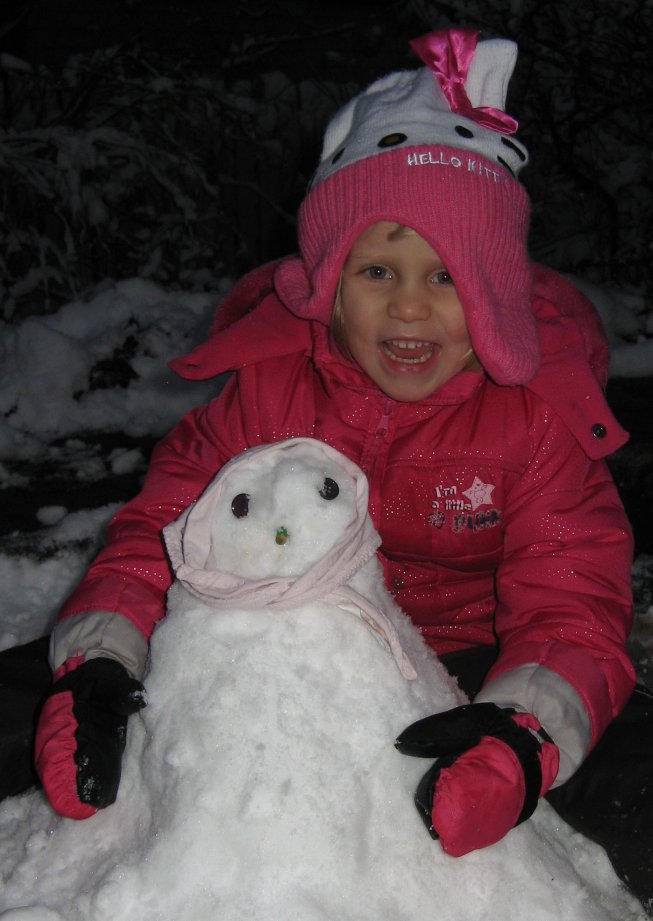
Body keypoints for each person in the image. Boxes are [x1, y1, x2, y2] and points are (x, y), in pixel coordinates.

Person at [2, 26, 651, 910]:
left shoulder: (534, 421)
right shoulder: (267, 394)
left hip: (467, 659)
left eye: (447, 277)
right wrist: (101, 657)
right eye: (378, 269)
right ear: (325, 283)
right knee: (36, 693)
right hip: (271, 639)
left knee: (624, 765)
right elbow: (162, 534)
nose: (410, 304)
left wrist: (523, 726)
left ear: (494, 291)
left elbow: (571, 600)